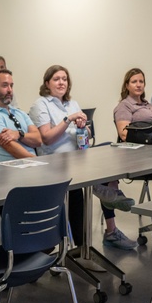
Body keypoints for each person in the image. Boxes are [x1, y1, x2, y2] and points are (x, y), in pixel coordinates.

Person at [29, 65, 136, 251]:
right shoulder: (41, 104)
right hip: (54, 163)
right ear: (47, 83)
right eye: (56, 79)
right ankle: (102, 190)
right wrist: (69, 119)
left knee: (110, 150)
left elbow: (84, 134)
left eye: (64, 79)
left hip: (78, 158)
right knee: (82, 179)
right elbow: (46, 137)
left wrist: (82, 127)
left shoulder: (72, 103)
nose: (61, 82)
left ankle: (106, 189)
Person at [0, 68, 42, 162]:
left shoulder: (20, 113)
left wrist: (19, 135)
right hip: (13, 171)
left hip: (33, 166)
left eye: (11, 86)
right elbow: (13, 148)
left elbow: (38, 140)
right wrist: (40, 162)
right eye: (5, 85)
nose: (9, 90)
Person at [114, 67, 152, 141]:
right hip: (136, 149)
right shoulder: (124, 106)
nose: (138, 85)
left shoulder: (148, 105)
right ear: (127, 86)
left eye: (141, 81)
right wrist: (149, 138)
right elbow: (124, 135)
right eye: (134, 82)